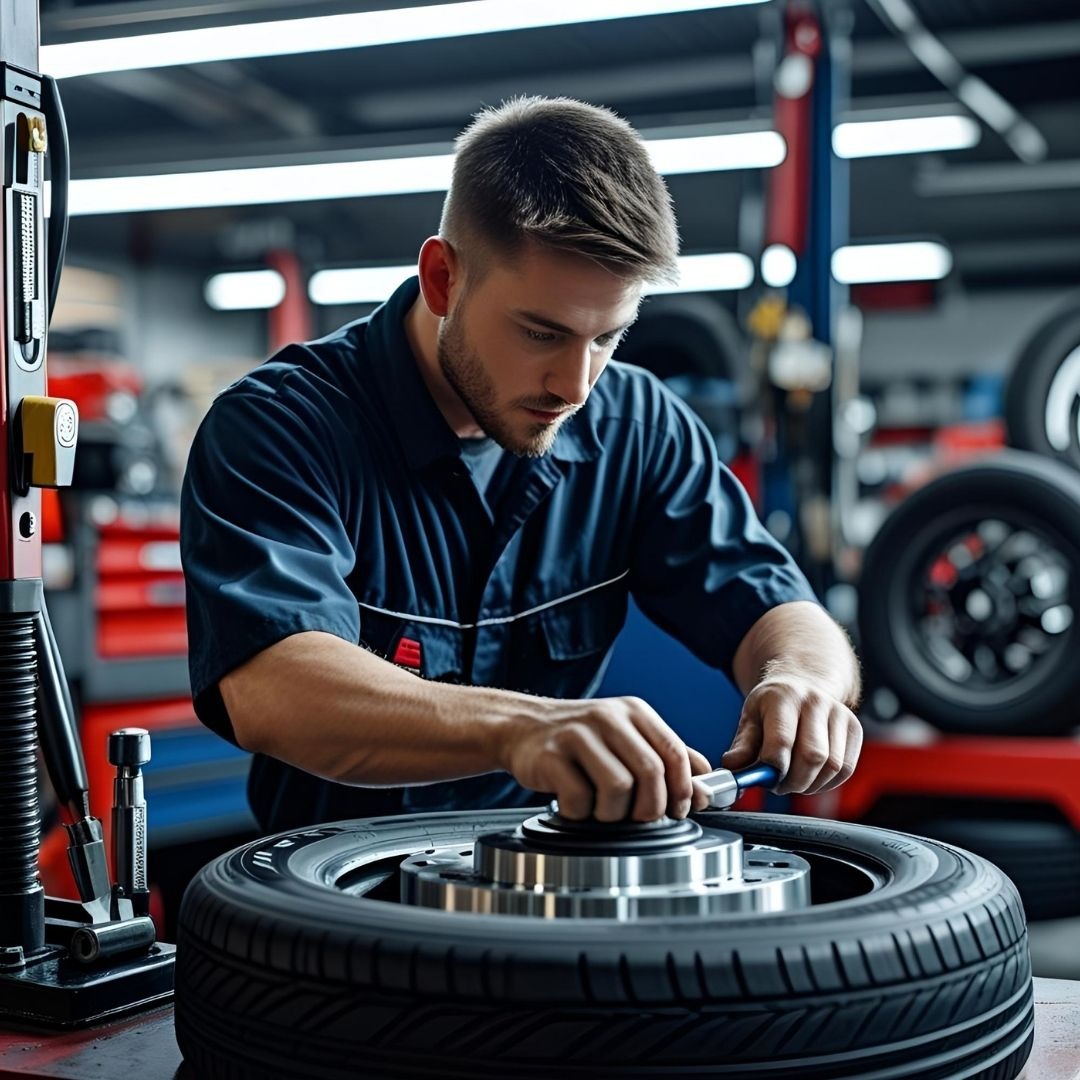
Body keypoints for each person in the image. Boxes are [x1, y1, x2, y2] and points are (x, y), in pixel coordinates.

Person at [181, 96, 861, 835]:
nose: (576, 385)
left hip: (544, 886)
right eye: (543, 332)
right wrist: (520, 729)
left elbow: (777, 605)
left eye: (608, 338)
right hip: (335, 903)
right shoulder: (281, 426)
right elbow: (272, 685)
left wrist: (804, 680)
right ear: (443, 279)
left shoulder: (639, 427)